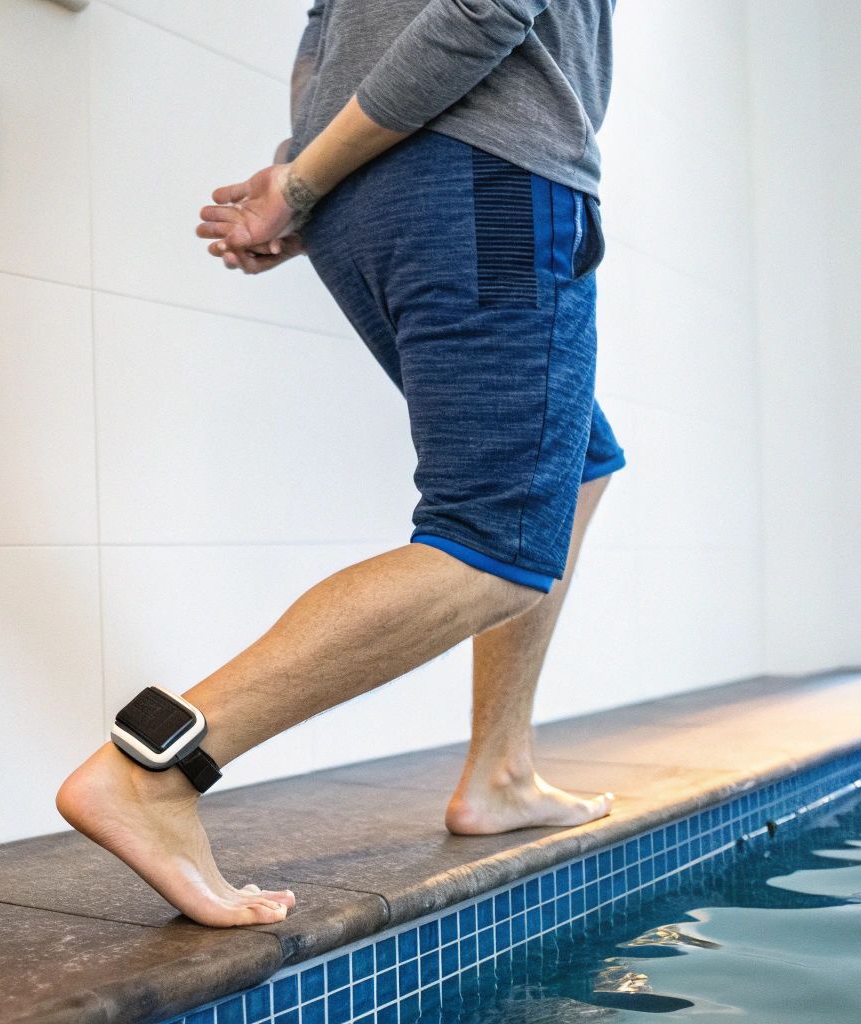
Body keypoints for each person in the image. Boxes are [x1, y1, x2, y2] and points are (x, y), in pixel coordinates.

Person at [58, 0, 624, 928]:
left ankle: (501, 770)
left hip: (380, 196)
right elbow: (486, 10)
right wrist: (301, 181)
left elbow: (328, 26)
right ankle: (148, 775)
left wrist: (306, 175)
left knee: (578, 462)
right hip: (485, 177)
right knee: (492, 541)